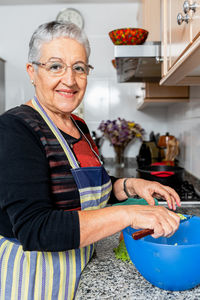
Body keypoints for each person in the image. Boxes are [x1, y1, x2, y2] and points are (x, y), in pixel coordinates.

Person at [0, 21, 181, 300]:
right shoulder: (15, 129)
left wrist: (131, 186)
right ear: (32, 72)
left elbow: (89, 191)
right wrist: (129, 214)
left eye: (79, 68)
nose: (70, 80)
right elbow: (35, 229)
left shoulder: (79, 127)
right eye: (55, 66)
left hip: (81, 270)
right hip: (34, 281)